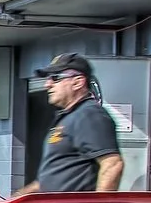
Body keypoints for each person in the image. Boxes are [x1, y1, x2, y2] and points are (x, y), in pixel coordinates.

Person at [24, 54, 121, 193]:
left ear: (77, 82)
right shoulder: (68, 117)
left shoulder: (89, 114)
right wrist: (13, 200)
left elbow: (112, 164)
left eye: (55, 78)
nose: (47, 84)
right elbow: (47, 181)